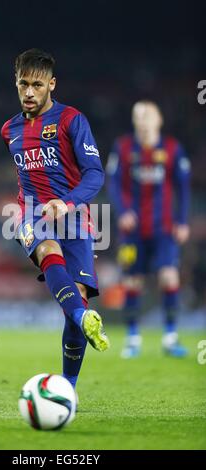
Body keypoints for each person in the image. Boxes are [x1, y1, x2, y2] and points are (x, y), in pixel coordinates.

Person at [1, 49, 110, 389]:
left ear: (51, 84)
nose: (29, 92)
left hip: (74, 217)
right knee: (47, 248)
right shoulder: (10, 130)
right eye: (23, 84)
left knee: (74, 300)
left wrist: (66, 202)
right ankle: (82, 314)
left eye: (36, 84)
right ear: (16, 84)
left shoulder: (71, 120)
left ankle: (68, 389)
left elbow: (95, 174)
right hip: (32, 213)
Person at [107, 100, 191, 358]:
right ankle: (132, 338)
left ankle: (170, 337)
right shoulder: (122, 148)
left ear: (158, 120)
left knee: (169, 276)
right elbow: (113, 182)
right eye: (138, 117)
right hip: (132, 232)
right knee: (132, 281)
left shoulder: (172, 149)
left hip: (164, 229)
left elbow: (183, 187)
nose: (142, 121)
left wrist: (183, 221)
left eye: (147, 116)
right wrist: (123, 212)